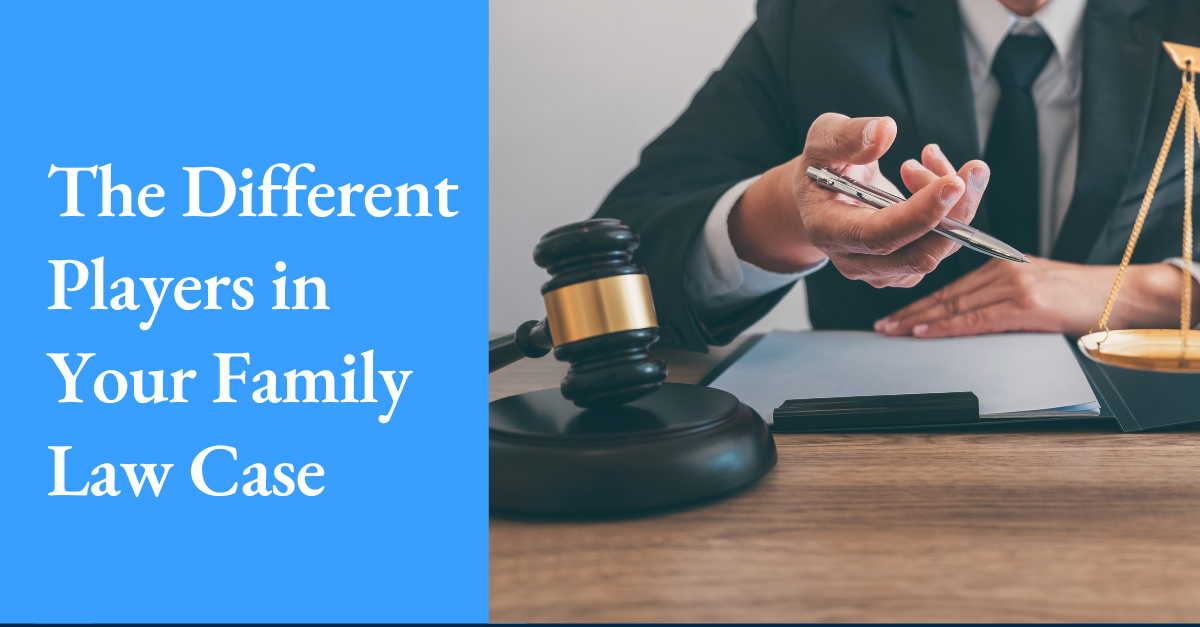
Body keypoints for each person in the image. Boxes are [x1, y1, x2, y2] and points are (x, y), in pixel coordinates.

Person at [594, 0, 1200, 351]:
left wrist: (1149, 295)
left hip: (1156, 457)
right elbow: (620, 259)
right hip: (877, 457)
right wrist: (789, 211)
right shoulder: (819, 18)